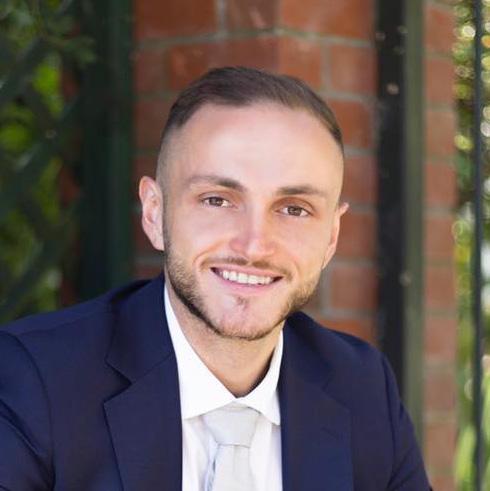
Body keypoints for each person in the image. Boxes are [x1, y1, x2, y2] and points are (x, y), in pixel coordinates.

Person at [0, 66, 431, 490]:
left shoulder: (363, 388)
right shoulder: (36, 378)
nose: (254, 246)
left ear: (331, 236)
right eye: (217, 200)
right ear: (154, 213)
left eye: (294, 209)